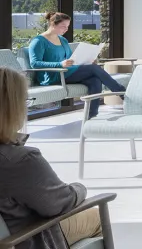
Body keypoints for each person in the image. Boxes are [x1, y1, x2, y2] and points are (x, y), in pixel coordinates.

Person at [0, 68, 103, 249]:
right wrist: (79, 188)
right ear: (11, 108)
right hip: (24, 239)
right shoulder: (19, 161)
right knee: (97, 217)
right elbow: (59, 202)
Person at [28, 11, 125, 119]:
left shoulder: (63, 40)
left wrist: (87, 60)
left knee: (95, 80)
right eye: (63, 26)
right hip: (53, 75)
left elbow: (71, 59)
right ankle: (121, 91)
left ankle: (91, 115)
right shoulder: (38, 41)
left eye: (67, 26)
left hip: (67, 72)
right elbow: (34, 63)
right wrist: (59, 64)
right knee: (94, 69)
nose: (66, 29)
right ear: (53, 24)